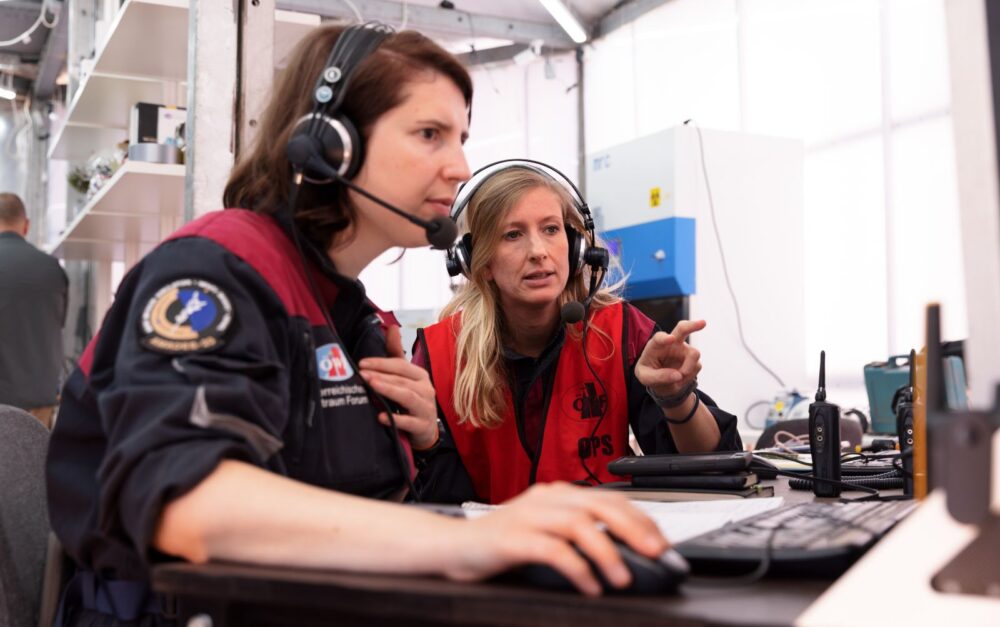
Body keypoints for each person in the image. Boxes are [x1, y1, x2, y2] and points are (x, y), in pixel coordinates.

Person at [46, 24, 672, 626]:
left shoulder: (352, 317)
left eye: (460, 137)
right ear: (330, 144)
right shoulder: (216, 270)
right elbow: (188, 504)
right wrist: (472, 540)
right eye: (430, 134)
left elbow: (375, 512)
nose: (459, 167)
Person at [402, 163, 743, 504]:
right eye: (513, 234)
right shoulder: (440, 354)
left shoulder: (620, 331)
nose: (538, 251)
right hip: (493, 550)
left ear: (577, 246)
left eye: (551, 229)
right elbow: (430, 503)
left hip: (606, 544)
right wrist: (426, 442)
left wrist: (675, 396)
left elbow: (712, 467)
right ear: (480, 261)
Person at [0, 191, 68, 429]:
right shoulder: (51, 268)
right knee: (34, 463)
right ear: (26, 225)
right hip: (40, 399)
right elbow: (59, 325)